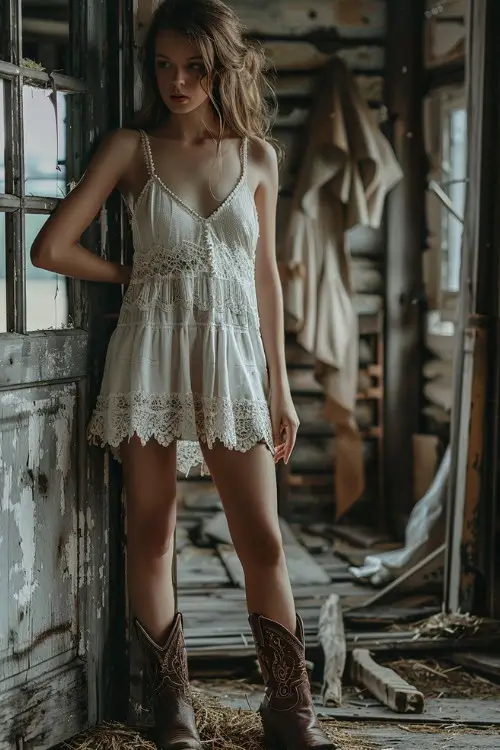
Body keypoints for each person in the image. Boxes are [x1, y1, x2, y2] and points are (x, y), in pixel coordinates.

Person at [31, 1, 335, 748]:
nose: (176, 81)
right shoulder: (131, 148)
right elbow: (51, 249)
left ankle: (290, 710)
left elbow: (266, 280)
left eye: (194, 67)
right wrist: (130, 273)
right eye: (163, 65)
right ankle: (174, 710)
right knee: (152, 532)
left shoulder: (257, 155)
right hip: (151, 354)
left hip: (233, 361)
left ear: (221, 67)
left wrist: (281, 387)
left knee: (260, 538)